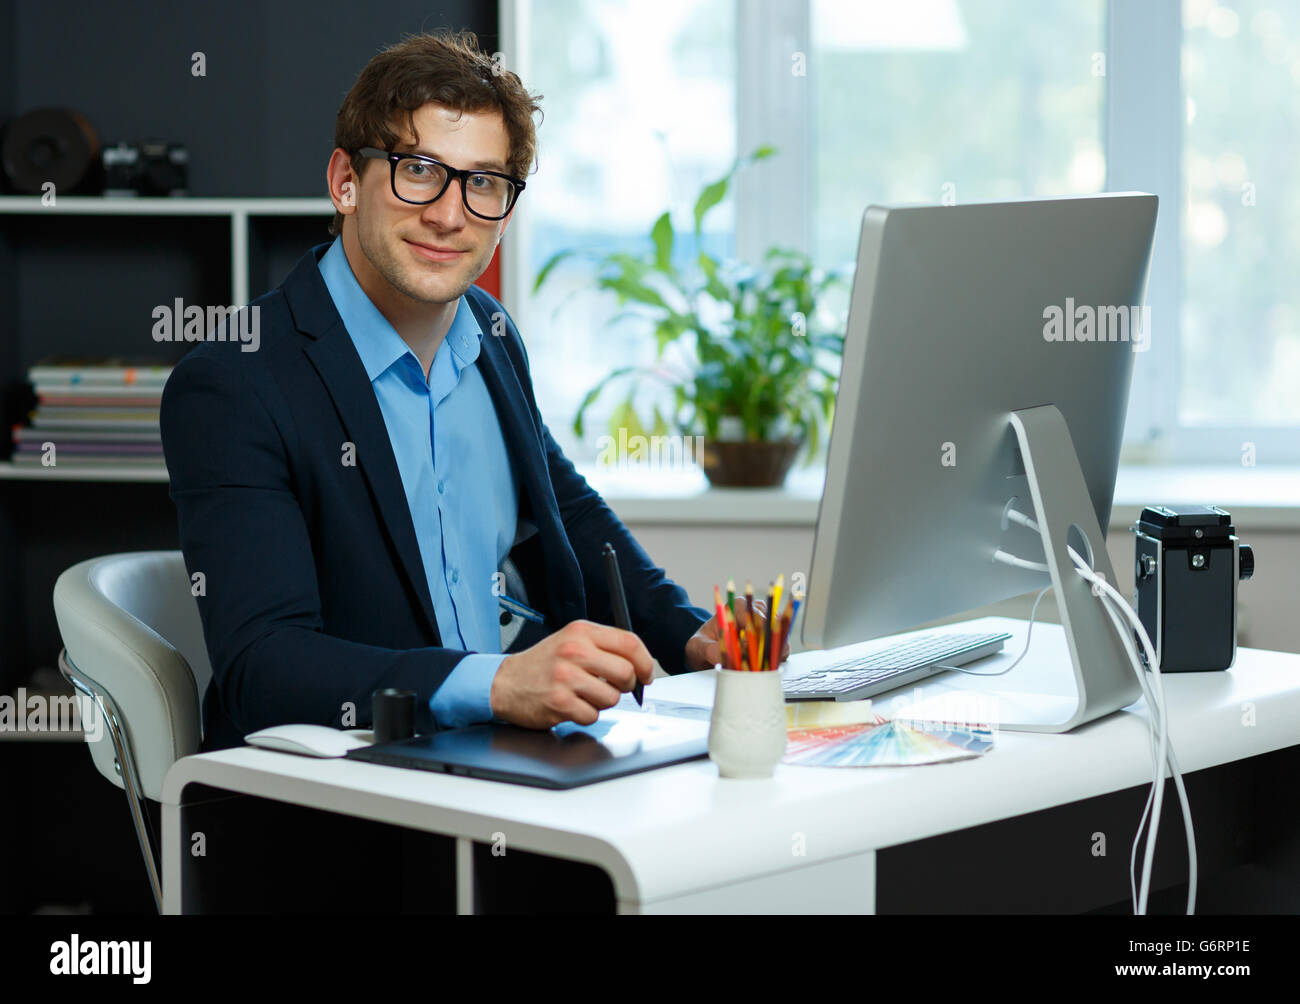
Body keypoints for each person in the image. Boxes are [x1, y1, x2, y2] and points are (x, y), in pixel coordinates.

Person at [160, 30, 785, 752]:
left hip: (498, 762)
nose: (450, 215)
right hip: (348, 797)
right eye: (418, 170)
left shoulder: (489, 332)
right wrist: (495, 683)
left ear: (506, 209)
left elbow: (568, 510)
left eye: (483, 182)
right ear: (344, 181)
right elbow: (261, 668)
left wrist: (691, 636)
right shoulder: (234, 382)